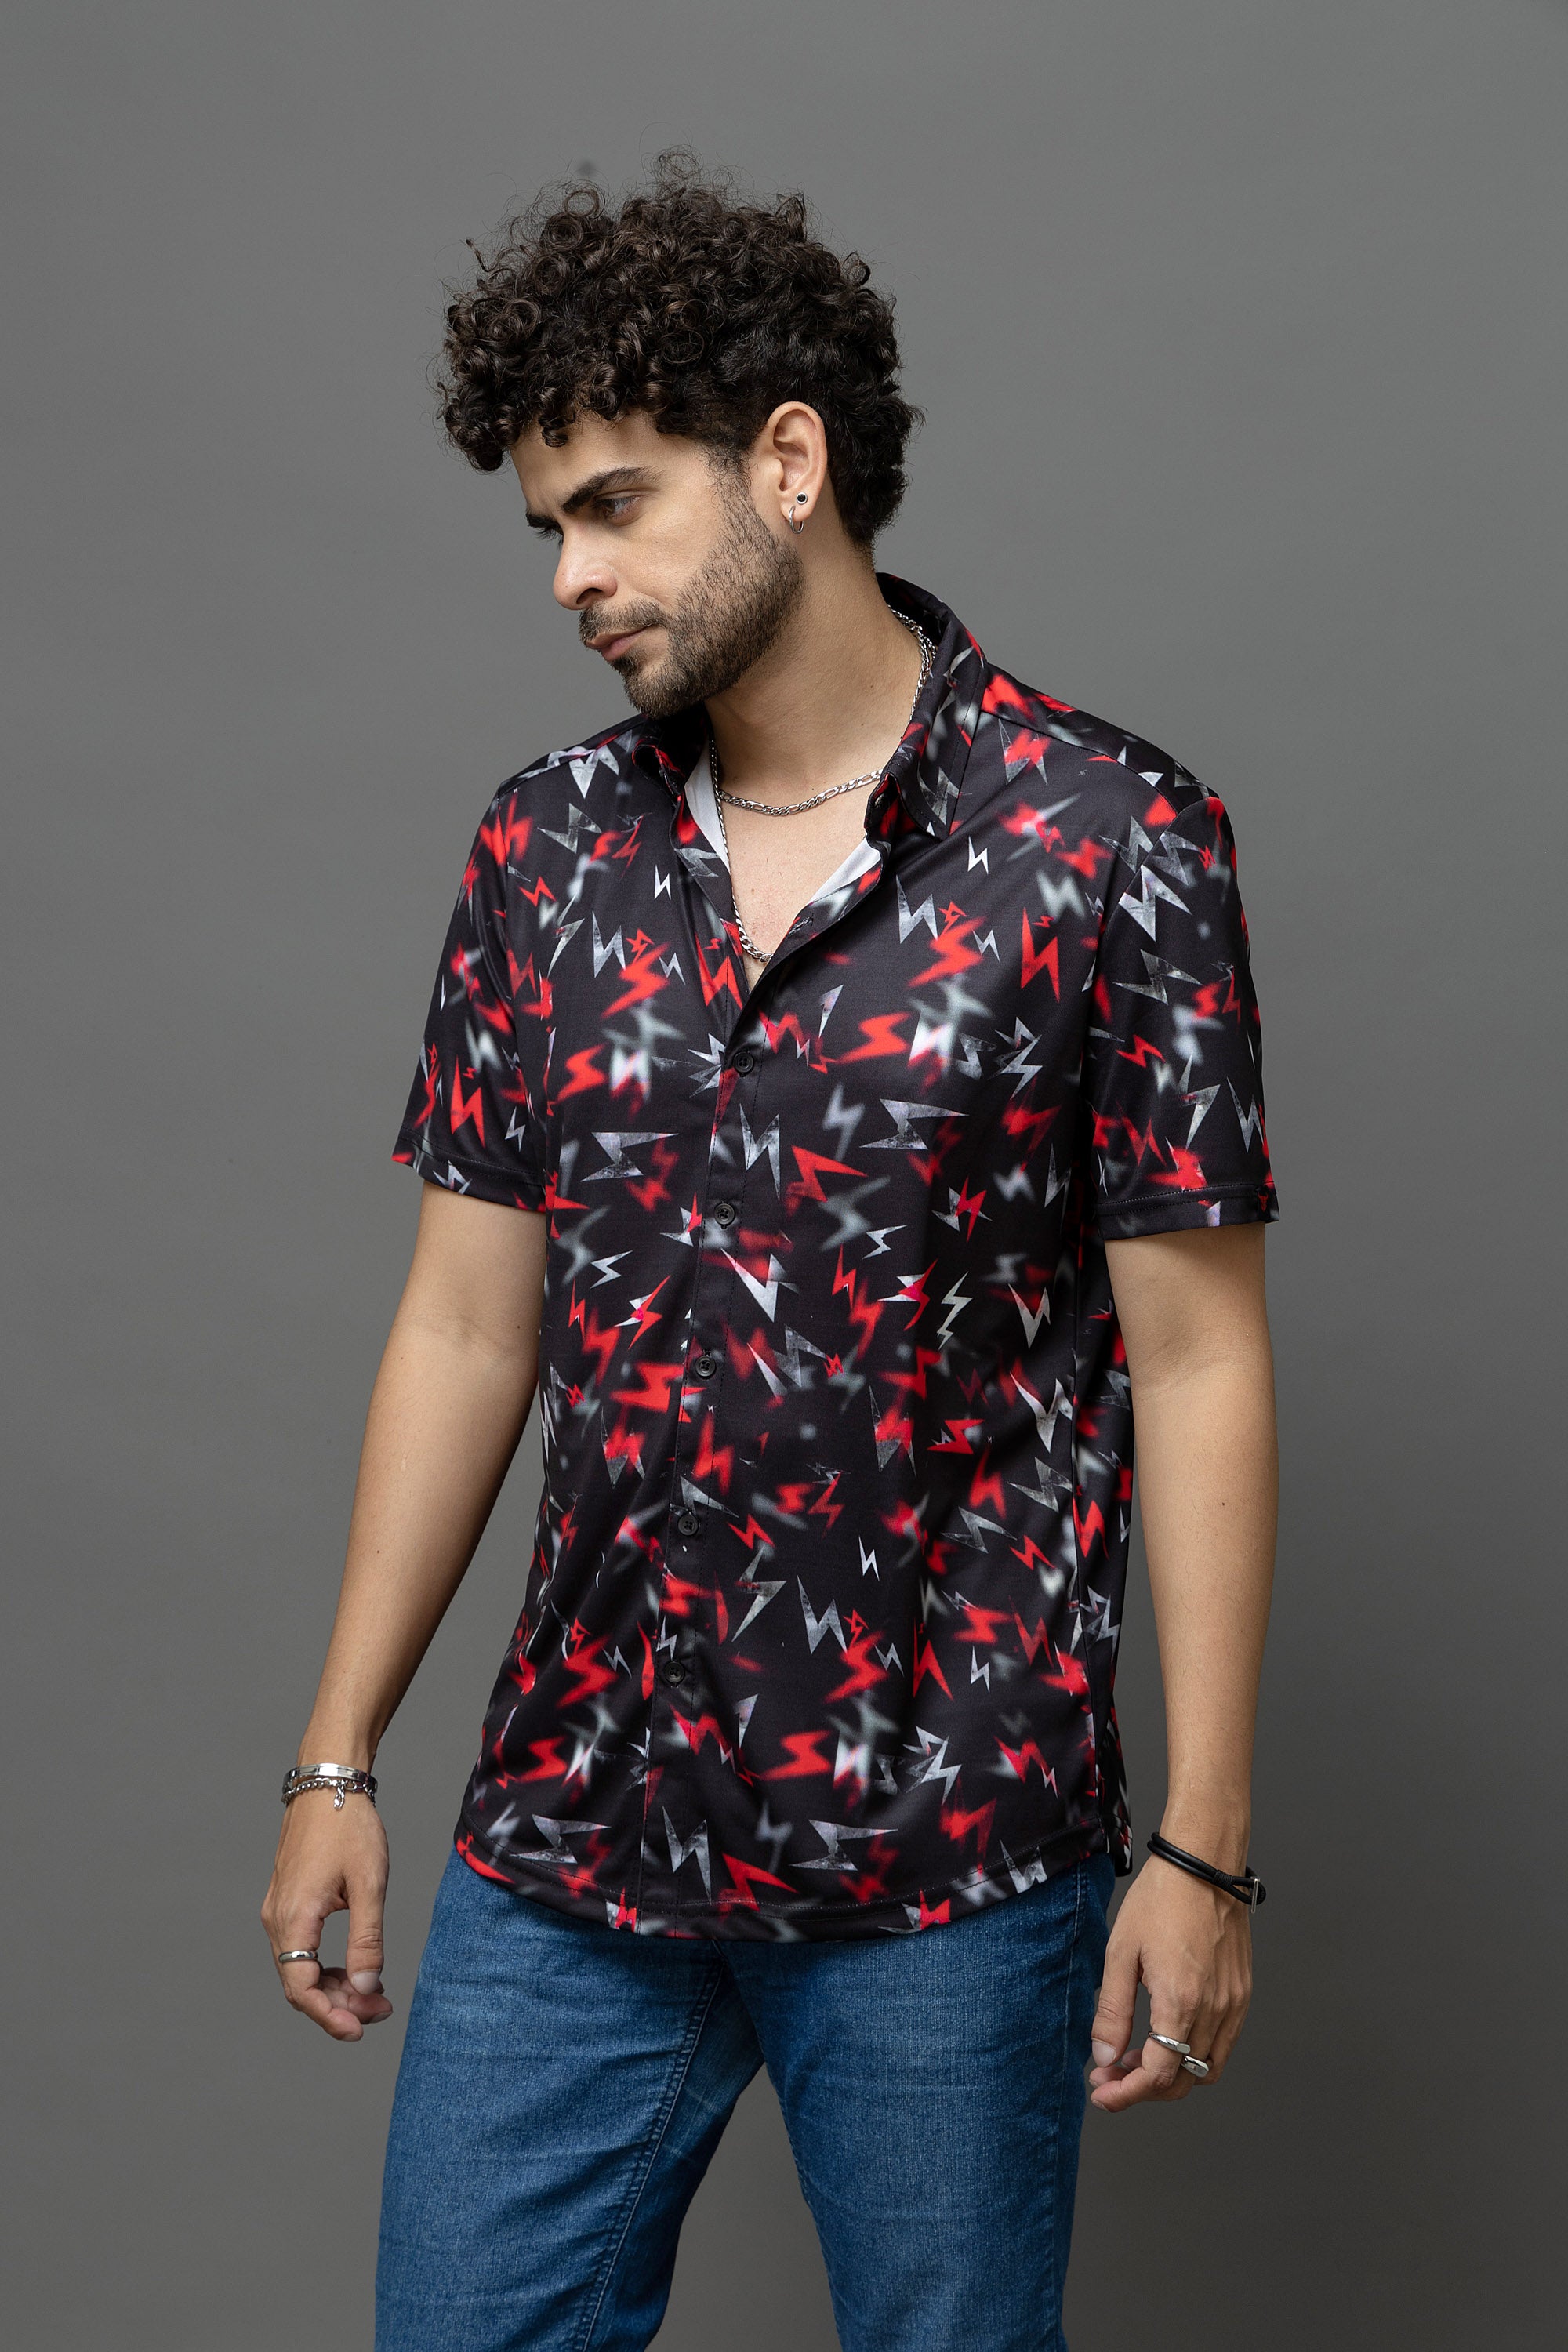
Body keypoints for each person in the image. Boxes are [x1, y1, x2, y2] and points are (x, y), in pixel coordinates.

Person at [261, 157, 1279, 2352]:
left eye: (615, 506)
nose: (571, 574)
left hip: (948, 1845)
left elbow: (1199, 1363)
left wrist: (1201, 1844)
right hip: (576, 1825)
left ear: (789, 466)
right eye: (547, 526)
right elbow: (465, 1325)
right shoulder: (545, 851)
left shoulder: (1110, 841)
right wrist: (338, 1753)